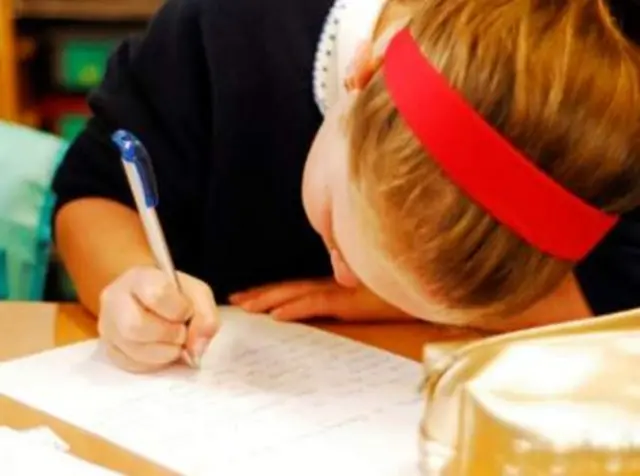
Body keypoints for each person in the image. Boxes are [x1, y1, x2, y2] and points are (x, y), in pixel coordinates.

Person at [52, 0, 640, 373]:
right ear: (367, 69)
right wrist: (129, 283)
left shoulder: (606, 114)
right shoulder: (223, 31)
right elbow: (95, 189)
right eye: (335, 226)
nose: (343, 279)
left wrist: (402, 293)